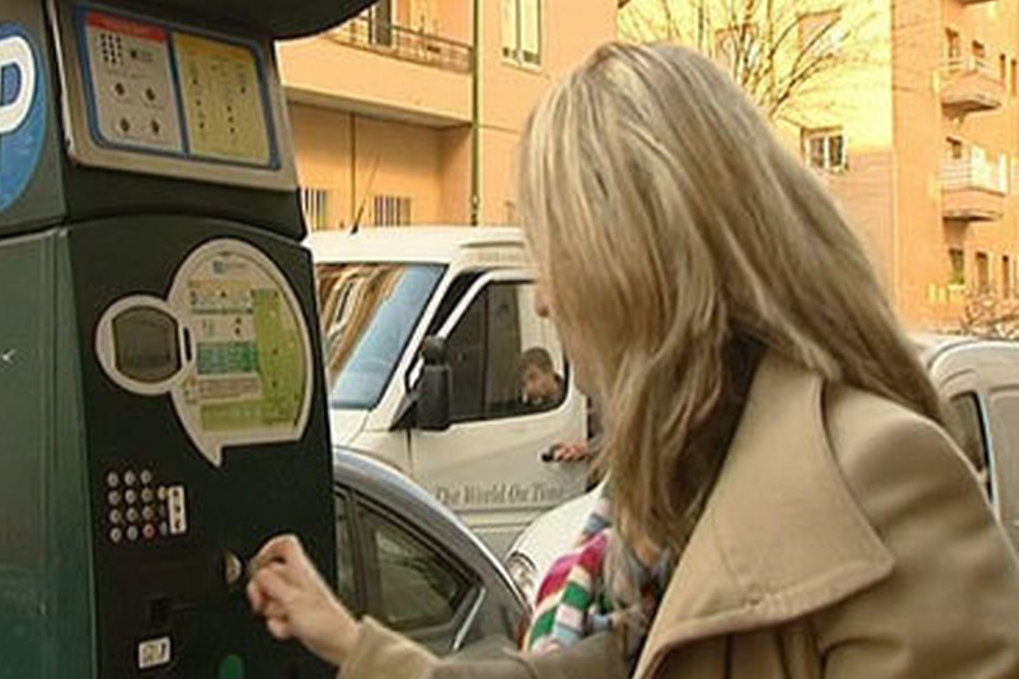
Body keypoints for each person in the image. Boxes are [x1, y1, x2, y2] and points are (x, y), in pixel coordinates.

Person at [247, 42, 1019, 678]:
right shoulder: (663, 505)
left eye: (557, 255)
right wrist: (354, 643)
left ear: (632, 260)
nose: (544, 300)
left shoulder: (879, 474)